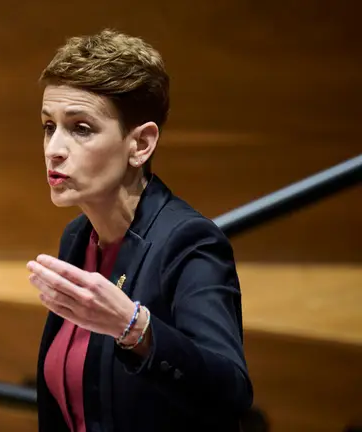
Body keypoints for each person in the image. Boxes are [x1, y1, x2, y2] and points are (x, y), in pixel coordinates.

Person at [26, 28, 253, 432]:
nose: (53, 148)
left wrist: (135, 328)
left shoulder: (188, 242)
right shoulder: (78, 238)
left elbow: (230, 391)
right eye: (49, 126)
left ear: (141, 144)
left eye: (80, 128)